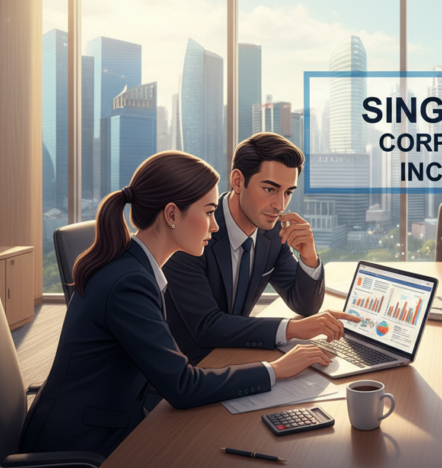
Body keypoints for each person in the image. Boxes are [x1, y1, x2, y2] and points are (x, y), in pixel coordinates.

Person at [19, 151, 337, 458]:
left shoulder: (135, 265)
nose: (214, 226)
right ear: (172, 215)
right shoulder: (130, 282)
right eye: (209, 212)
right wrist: (276, 370)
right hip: (88, 442)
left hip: (116, 416)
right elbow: (183, 387)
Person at [163, 133, 358, 363]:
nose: (280, 205)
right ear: (237, 181)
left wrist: (308, 257)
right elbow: (206, 326)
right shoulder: (194, 229)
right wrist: (292, 329)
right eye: (269, 189)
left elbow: (304, 305)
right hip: (183, 369)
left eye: (288, 192)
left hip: (234, 356)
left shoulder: (273, 233)